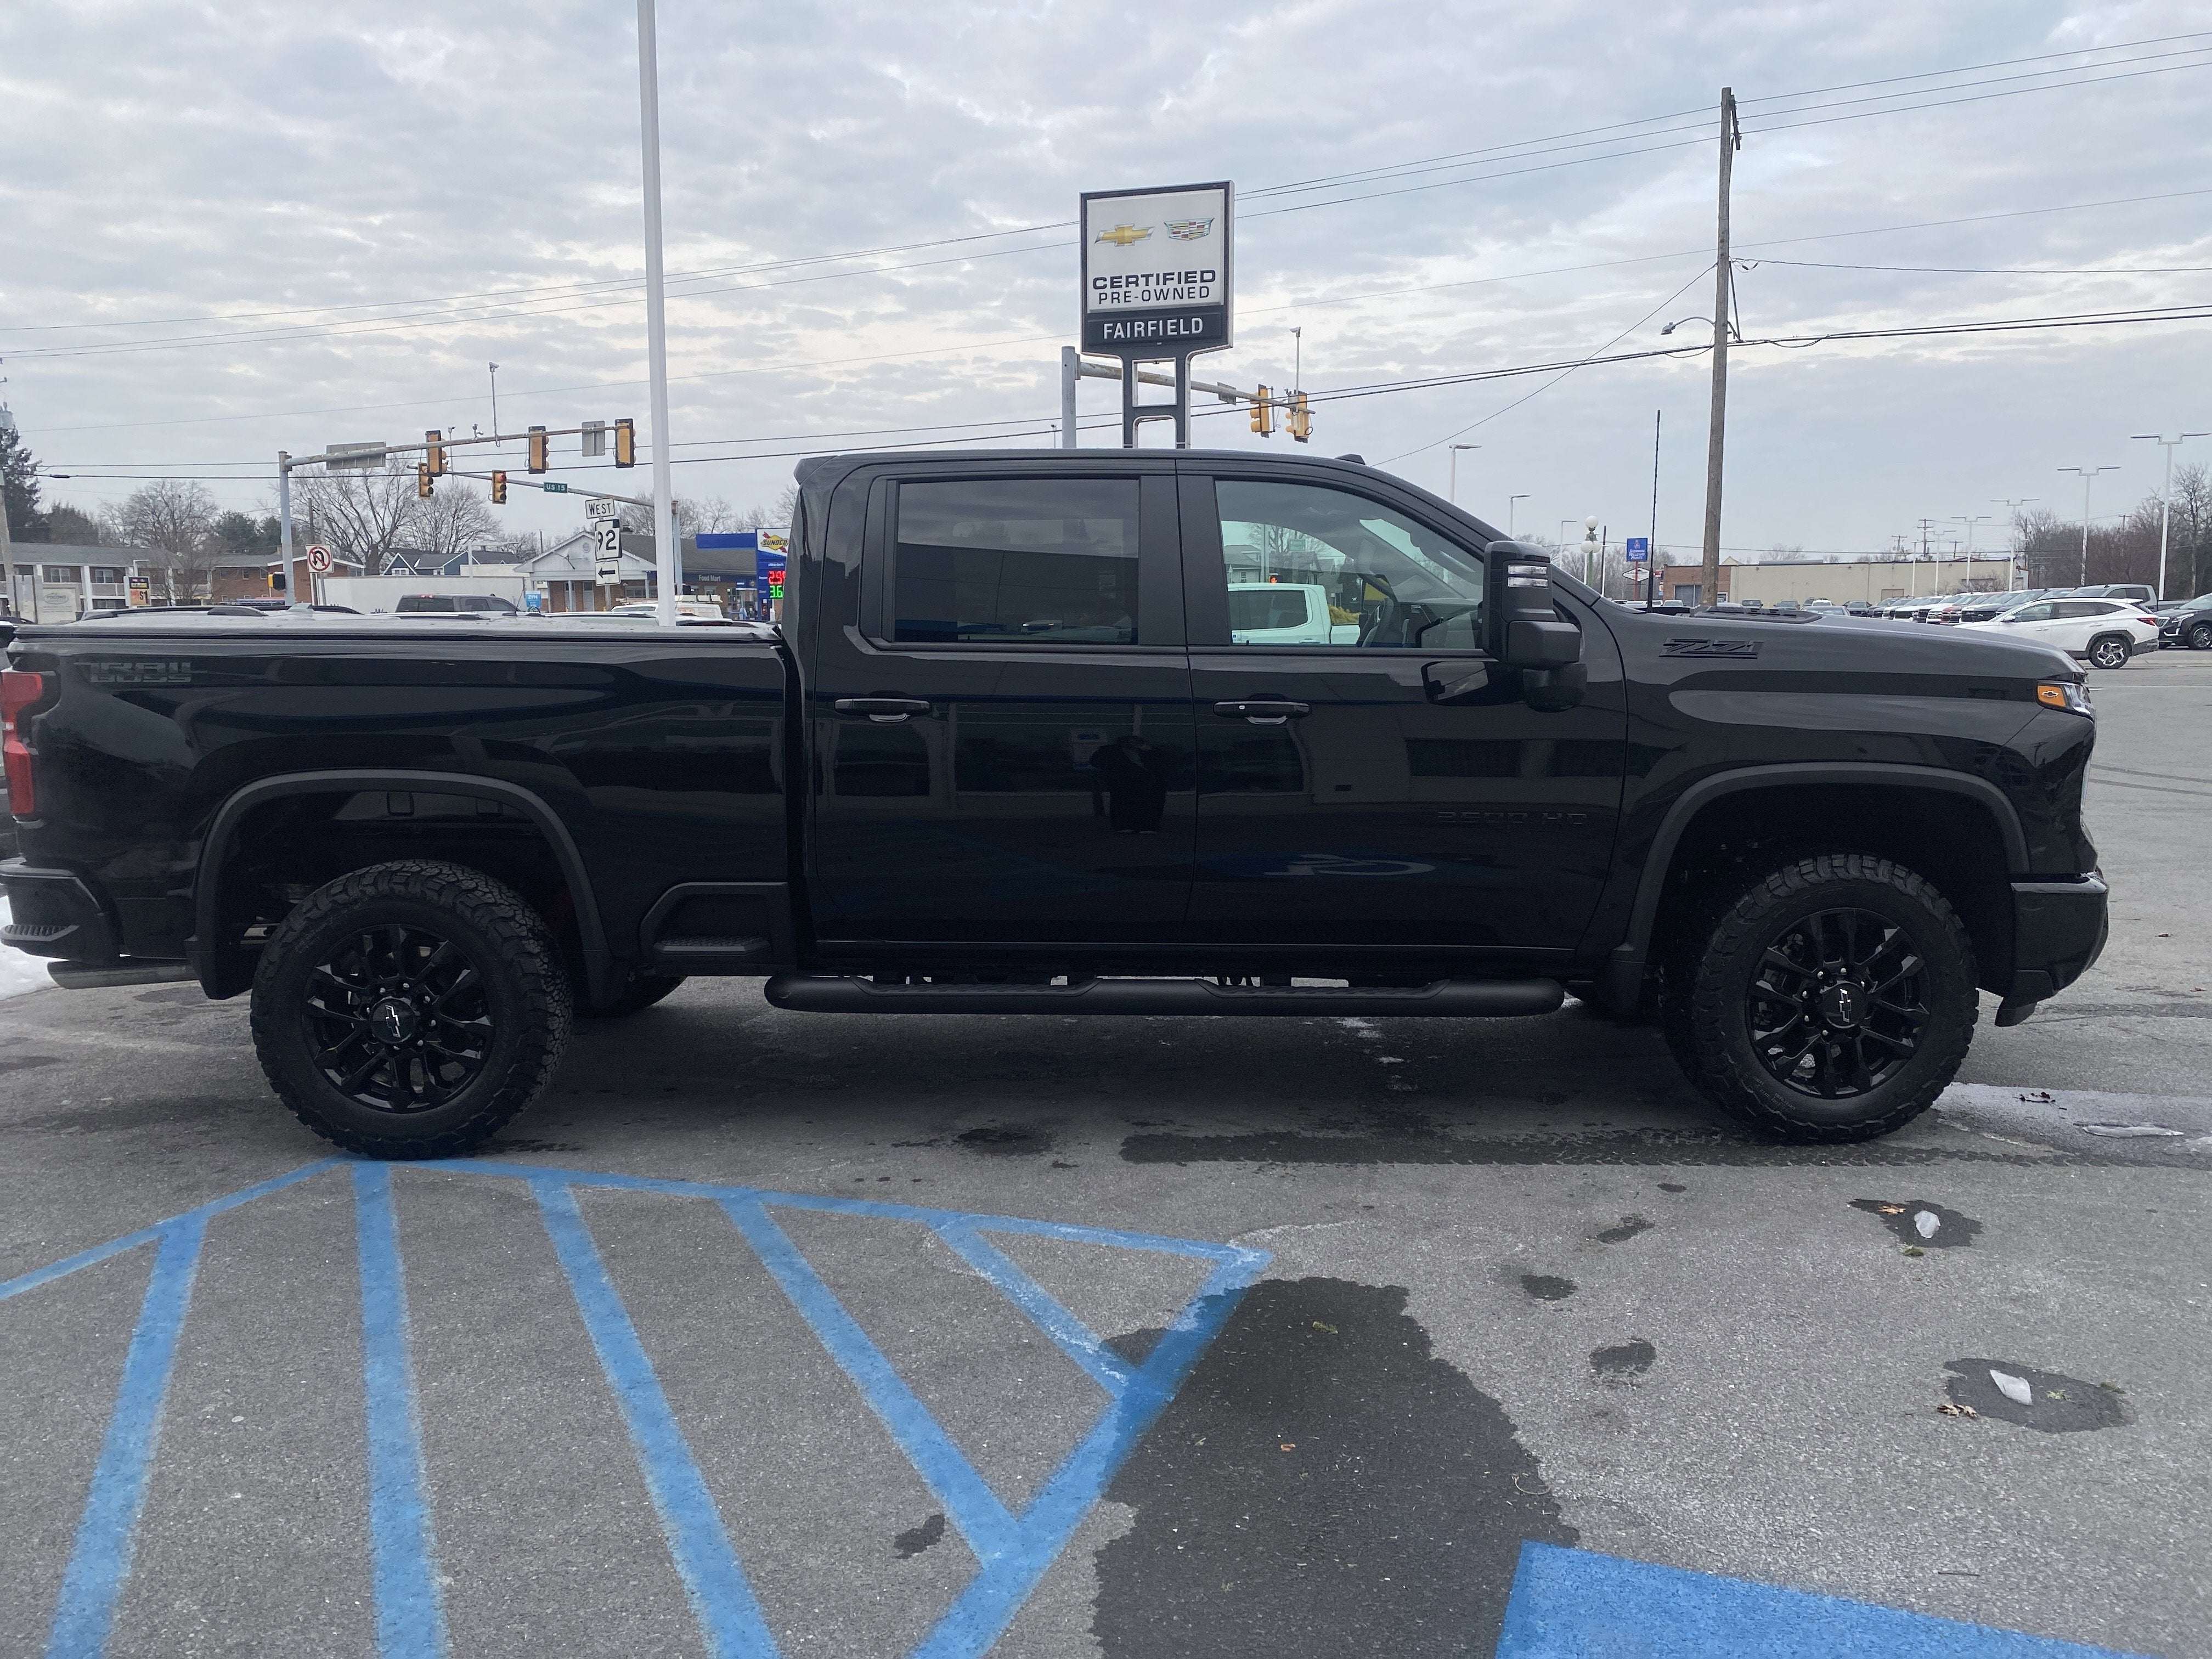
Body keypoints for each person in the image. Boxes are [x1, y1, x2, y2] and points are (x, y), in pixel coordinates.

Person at [1089, 734, 1167, 833]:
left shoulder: (1111, 751)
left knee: (1126, 803)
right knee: (1139, 804)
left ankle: (1131, 826)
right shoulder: (1112, 752)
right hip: (1134, 783)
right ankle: (1143, 826)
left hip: (1129, 783)